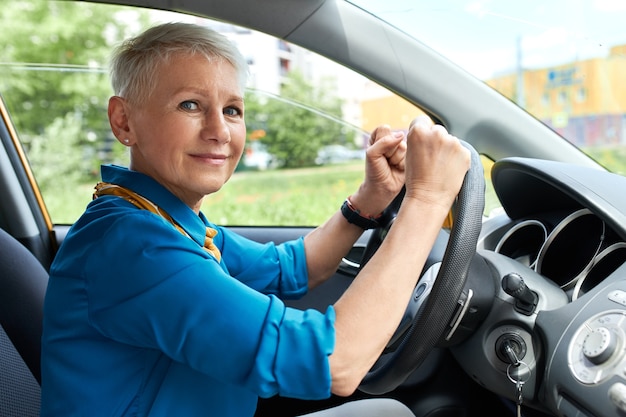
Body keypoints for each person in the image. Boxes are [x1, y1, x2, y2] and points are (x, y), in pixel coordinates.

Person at [40, 22, 470, 417]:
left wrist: (369, 201)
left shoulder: (163, 220)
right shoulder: (135, 246)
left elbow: (293, 266)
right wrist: (428, 199)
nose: (220, 131)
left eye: (232, 110)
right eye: (190, 104)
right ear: (123, 121)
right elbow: (337, 361)